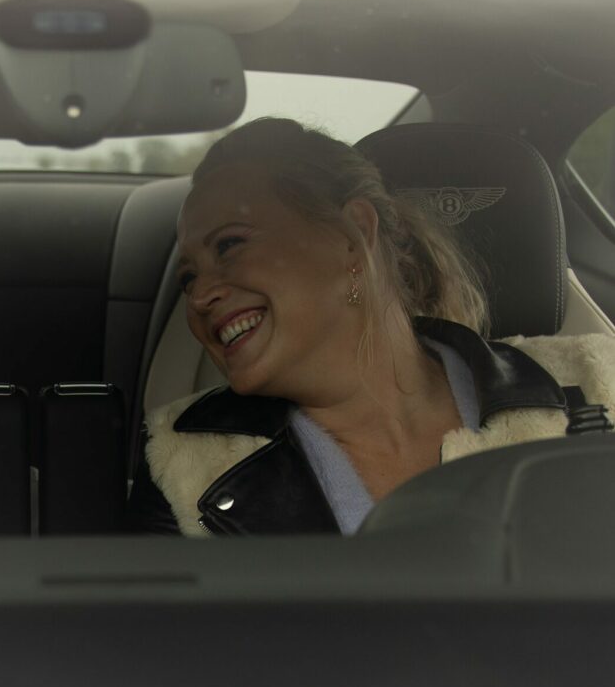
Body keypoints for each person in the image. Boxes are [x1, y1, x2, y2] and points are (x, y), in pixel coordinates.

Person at [127, 117, 615, 536]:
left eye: (230, 245)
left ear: (353, 234)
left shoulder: (598, 385)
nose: (199, 295)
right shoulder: (180, 465)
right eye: (188, 277)